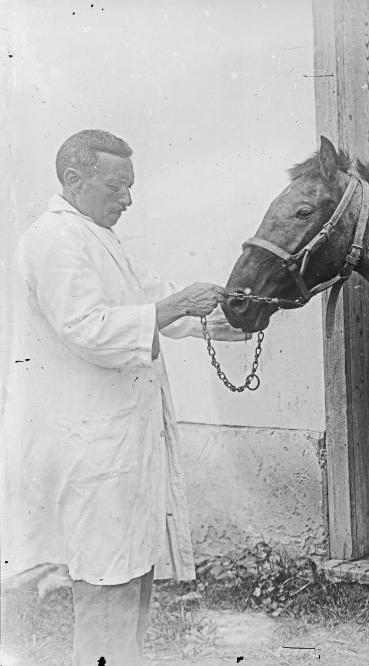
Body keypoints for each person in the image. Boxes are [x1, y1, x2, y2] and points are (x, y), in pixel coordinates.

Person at [1, 129, 247, 665]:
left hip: (122, 443)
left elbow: (159, 301)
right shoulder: (53, 241)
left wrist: (235, 320)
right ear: (74, 179)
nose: (128, 199)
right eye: (117, 186)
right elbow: (88, 328)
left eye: (130, 186)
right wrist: (175, 306)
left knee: (134, 567)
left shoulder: (100, 238)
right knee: (105, 575)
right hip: (88, 446)